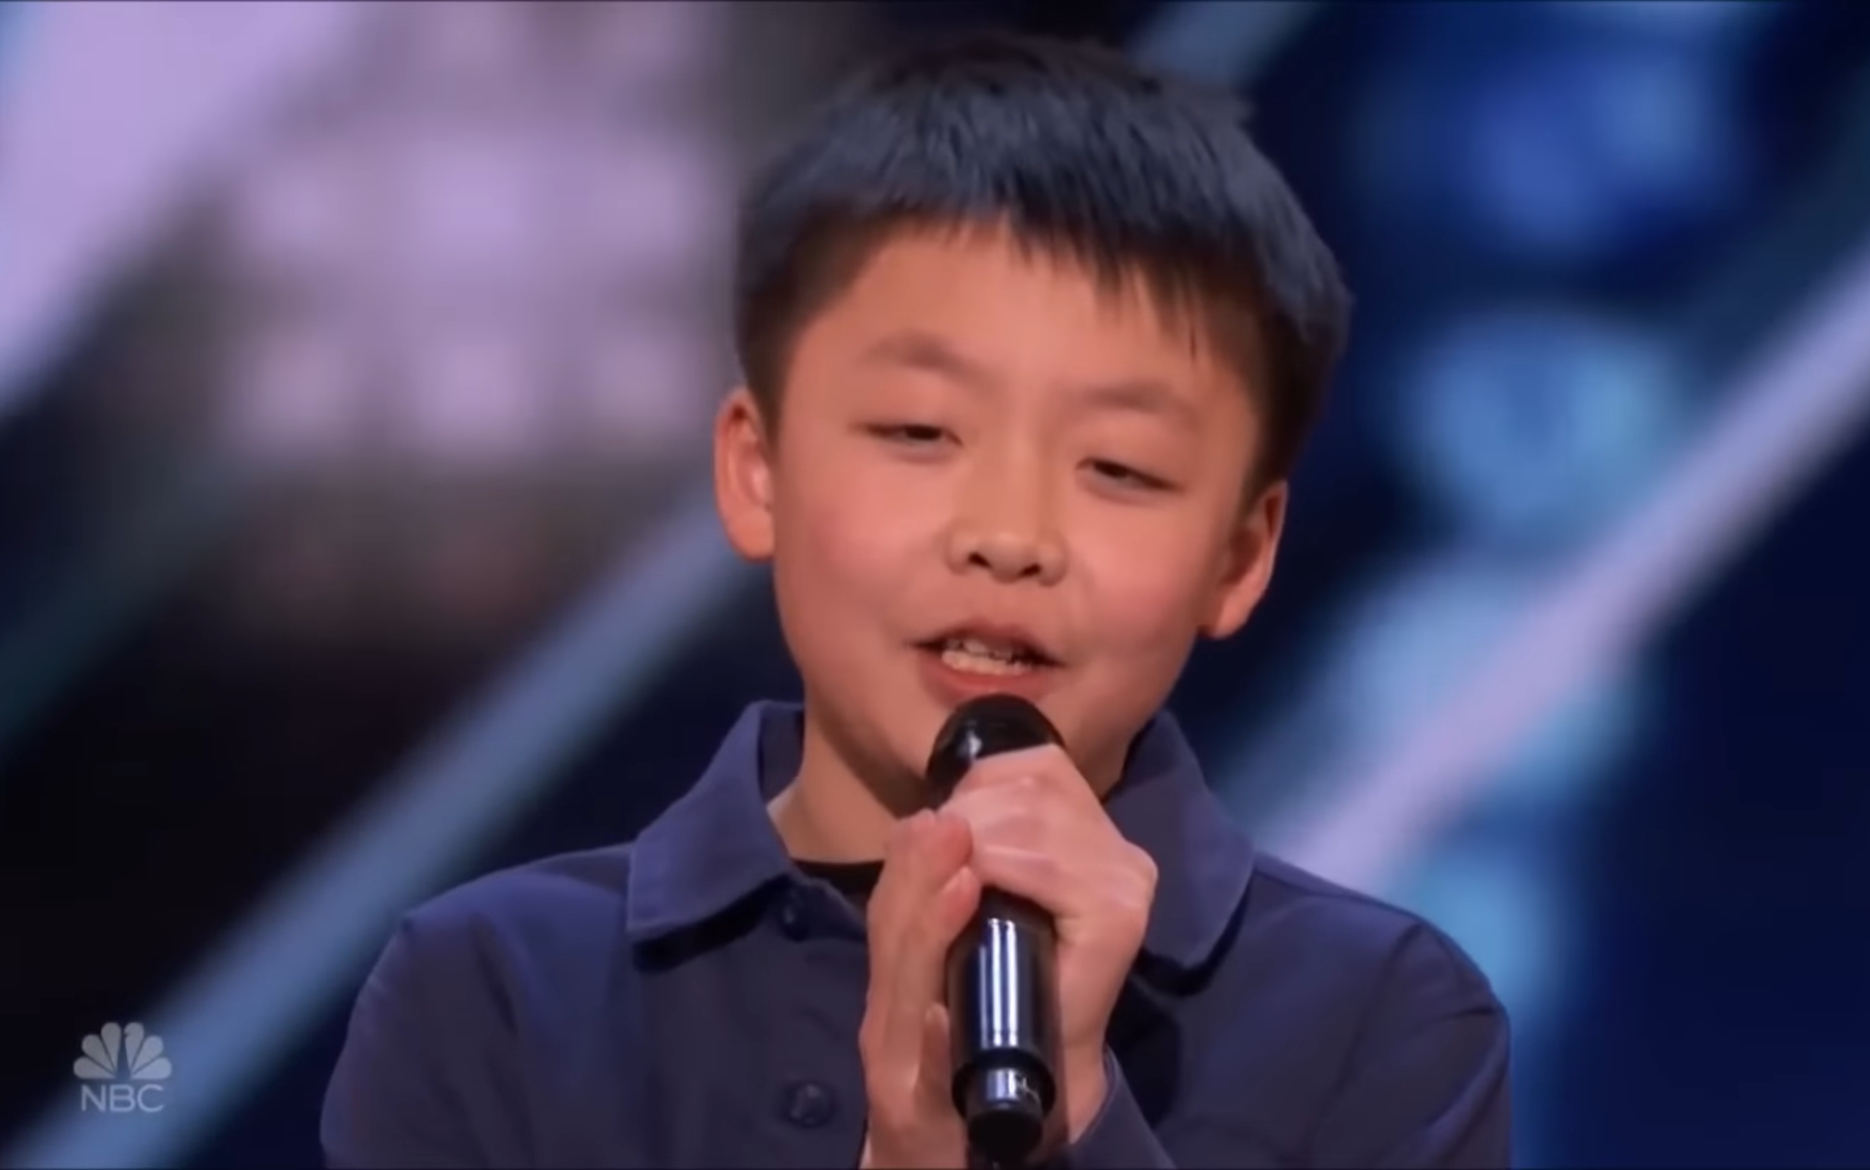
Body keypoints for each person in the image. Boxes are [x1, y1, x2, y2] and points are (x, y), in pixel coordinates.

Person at [321, 29, 1510, 1170]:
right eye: (920, 432)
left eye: (1120, 468)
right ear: (758, 471)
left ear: (1240, 557)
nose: (1010, 538)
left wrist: (1077, 1120)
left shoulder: (1382, 1024)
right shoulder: (497, 992)